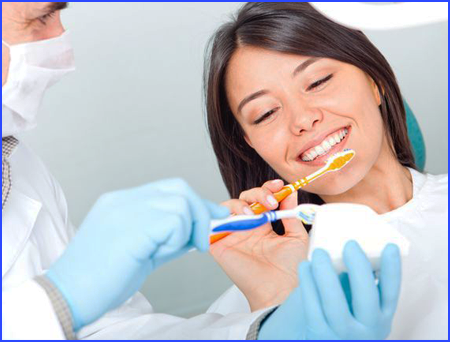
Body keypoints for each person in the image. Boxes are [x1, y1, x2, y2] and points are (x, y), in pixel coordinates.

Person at [1, 2, 287, 339]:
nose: (60, 43)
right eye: (42, 17)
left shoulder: (19, 166)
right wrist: (58, 299)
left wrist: (270, 325)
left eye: (320, 82)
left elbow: (109, 331)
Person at [204, 2, 448, 340]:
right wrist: (279, 305)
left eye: (317, 81)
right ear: (250, 143)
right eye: (265, 113)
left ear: (374, 79)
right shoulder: (243, 314)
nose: (303, 120)